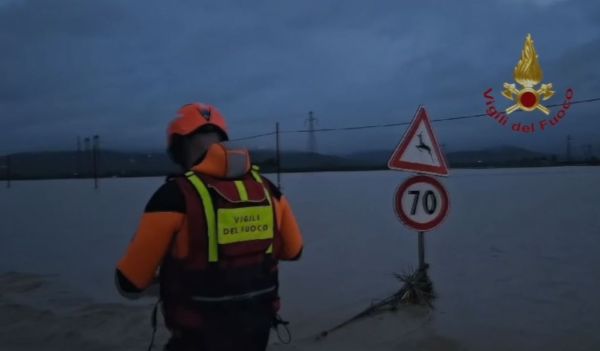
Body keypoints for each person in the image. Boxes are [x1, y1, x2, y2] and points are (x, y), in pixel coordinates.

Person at [115, 102, 304, 351]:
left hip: (197, 339)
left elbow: (130, 284)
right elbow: (294, 251)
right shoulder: (269, 190)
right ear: (222, 141)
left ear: (177, 150)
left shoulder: (172, 196)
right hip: (257, 333)